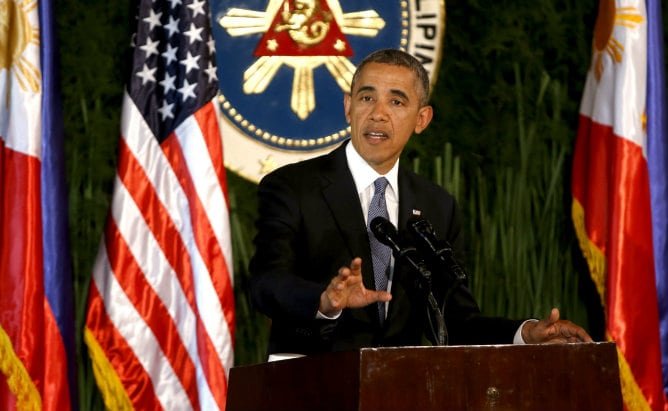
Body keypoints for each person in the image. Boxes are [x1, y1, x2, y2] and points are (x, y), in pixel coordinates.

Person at [249, 48, 592, 357]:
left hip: (401, 393)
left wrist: (525, 333)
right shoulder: (292, 187)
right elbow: (265, 283)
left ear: (422, 119)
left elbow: (453, 319)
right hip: (310, 389)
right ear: (348, 107)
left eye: (396, 102)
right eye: (367, 98)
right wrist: (324, 301)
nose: (379, 114)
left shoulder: (437, 205)